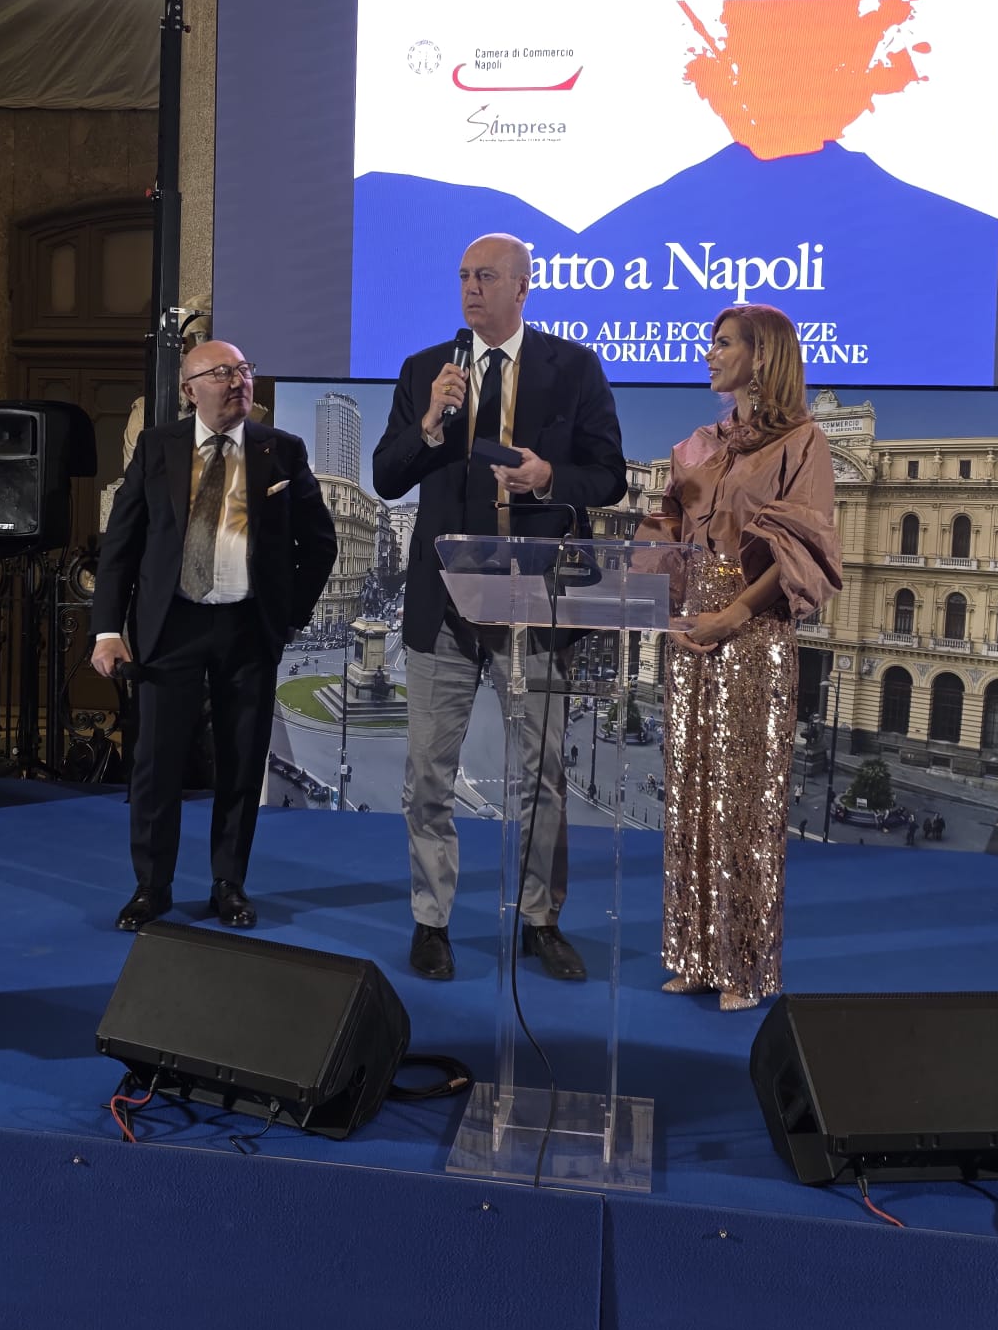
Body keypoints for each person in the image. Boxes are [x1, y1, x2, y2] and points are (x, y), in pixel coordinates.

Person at [373, 233, 627, 981]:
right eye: (462, 277)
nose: (470, 289)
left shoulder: (573, 368)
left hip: (534, 604)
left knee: (542, 777)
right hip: (444, 606)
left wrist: (549, 478)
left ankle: (540, 919)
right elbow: (387, 477)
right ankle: (431, 921)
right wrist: (428, 423)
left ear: (522, 287)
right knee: (428, 775)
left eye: (484, 276)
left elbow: (609, 475)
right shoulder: (426, 370)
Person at [635, 305, 842, 1011]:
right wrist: (663, 608)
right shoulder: (695, 447)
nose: (710, 353)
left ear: (762, 356)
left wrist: (733, 613)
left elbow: (802, 550)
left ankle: (744, 967)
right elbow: (663, 533)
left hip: (753, 633)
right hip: (691, 632)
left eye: (723, 344)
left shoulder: (803, 443)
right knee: (691, 792)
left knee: (745, 800)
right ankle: (695, 954)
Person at [92, 341, 337, 931]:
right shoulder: (157, 447)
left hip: (247, 629)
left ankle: (229, 884)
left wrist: (288, 617)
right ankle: (152, 887)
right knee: (156, 765)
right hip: (170, 627)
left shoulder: (282, 450)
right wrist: (106, 631)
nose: (237, 381)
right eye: (222, 372)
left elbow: (320, 544)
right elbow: (120, 545)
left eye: (244, 370)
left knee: (242, 763)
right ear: (189, 389)